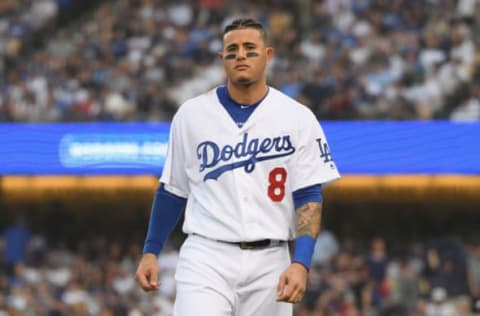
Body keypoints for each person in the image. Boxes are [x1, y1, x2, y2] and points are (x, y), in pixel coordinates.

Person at [135, 18, 340, 316]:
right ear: (222, 58)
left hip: (271, 258)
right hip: (206, 255)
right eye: (232, 49)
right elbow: (172, 191)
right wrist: (151, 251)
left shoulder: (298, 117)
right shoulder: (191, 115)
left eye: (249, 48)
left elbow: (309, 195)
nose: (240, 55)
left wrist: (301, 262)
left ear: (268, 55)